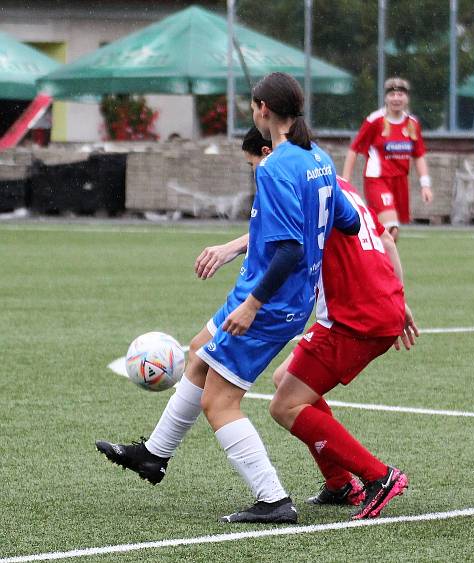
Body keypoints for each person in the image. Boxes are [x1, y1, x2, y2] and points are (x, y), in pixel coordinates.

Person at [96, 75, 360, 525]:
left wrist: (253, 303)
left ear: (261, 109)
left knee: (219, 403)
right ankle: (153, 455)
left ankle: (273, 499)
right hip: (279, 295)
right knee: (199, 351)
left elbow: (291, 247)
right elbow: (349, 222)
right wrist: (238, 247)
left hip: (271, 302)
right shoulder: (317, 158)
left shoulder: (277, 166)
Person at [269, 176, 418, 520]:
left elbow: (286, 243)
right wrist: (398, 299)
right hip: (377, 305)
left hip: (354, 318)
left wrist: (231, 249)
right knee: (284, 380)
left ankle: (379, 476)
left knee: (284, 407)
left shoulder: (302, 186)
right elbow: (386, 241)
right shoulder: (341, 184)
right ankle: (339, 483)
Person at [342, 77, 433, 242]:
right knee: (391, 229)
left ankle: (378, 263)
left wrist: (425, 185)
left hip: (400, 183)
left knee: (389, 234)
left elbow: (419, 155)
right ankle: (384, 267)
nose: (396, 99)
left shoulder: (412, 123)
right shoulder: (375, 121)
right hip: (377, 180)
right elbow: (353, 149)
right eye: (392, 95)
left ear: (407, 98)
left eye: (400, 95)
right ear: (386, 98)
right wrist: (345, 182)